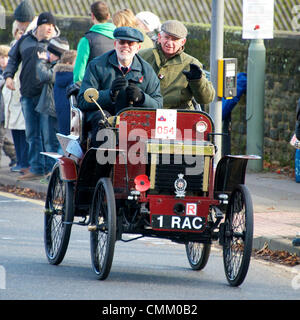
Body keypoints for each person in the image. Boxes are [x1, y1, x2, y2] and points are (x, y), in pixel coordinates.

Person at [77, 26, 163, 147]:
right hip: (103, 122)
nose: (125, 46)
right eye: (122, 42)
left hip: (135, 121)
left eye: (130, 43)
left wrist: (141, 98)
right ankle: (103, 163)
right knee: (102, 120)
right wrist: (110, 94)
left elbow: (158, 105)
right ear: (115, 44)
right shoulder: (96, 65)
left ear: (138, 48)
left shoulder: (147, 70)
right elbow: (82, 100)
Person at [4, 12, 60, 180]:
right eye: (47, 25)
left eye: (52, 25)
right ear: (39, 26)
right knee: (32, 134)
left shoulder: (56, 43)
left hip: (47, 96)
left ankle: (51, 171)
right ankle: (36, 168)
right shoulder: (24, 40)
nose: (51, 28)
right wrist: (8, 76)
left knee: (48, 136)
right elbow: (13, 58)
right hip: (27, 94)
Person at [139, 20, 215, 109]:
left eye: (175, 39)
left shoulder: (191, 63)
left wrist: (197, 81)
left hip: (179, 115)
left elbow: (206, 99)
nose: (170, 43)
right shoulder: (141, 56)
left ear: (183, 42)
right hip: (146, 112)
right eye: (166, 37)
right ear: (159, 37)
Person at [35, 37, 70, 173]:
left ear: (56, 54)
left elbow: (45, 76)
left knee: (51, 143)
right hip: (53, 109)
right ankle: (53, 173)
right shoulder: (56, 65)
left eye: (50, 52)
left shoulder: (58, 68)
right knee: (51, 143)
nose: (47, 54)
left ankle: (53, 173)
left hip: (52, 110)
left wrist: (41, 61)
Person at [2, 22, 29, 174]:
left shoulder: (23, 48)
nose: (20, 34)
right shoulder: (13, 47)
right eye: (17, 32)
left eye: (22, 32)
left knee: (23, 130)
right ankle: (19, 160)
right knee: (15, 130)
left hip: (20, 91)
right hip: (11, 93)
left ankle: (23, 161)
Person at [73, 1, 115, 83]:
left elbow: (79, 73)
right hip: (114, 88)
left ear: (92, 16)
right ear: (108, 16)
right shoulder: (119, 38)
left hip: (93, 89)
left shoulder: (86, 40)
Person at [0, 45, 17, 168]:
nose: (3, 60)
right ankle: (15, 156)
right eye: (1, 57)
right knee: (2, 139)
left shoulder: (11, 75)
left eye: (5, 57)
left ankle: (15, 156)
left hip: (4, 111)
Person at [53, 49, 77, 135]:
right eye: (76, 61)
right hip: (72, 115)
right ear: (68, 64)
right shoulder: (73, 76)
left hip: (61, 114)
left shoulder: (58, 77)